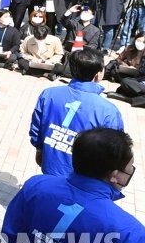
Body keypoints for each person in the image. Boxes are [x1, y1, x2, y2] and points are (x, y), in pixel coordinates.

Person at [2, 128, 145, 243]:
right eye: (129, 170)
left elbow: (12, 236)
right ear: (114, 175)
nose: (130, 172)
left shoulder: (37, 186)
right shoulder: (132, 234)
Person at [30, 48, 124, 177]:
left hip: (50, 166)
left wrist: (40, 149)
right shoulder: (108, 111)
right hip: (83, 178)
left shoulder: (49, 94)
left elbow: (37, 127)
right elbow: (114, 150)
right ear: (98, 74)